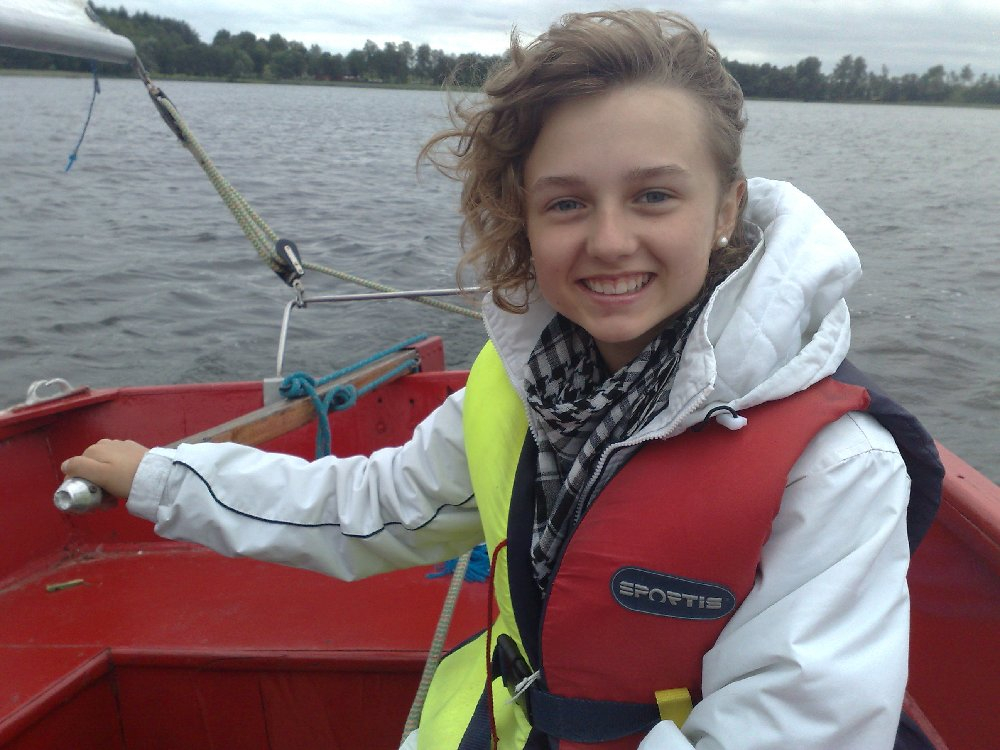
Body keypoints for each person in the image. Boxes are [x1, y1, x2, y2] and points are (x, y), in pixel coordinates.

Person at [61, 9, 941, 750]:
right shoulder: (518, 386)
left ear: (726, 209)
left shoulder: (836, 465)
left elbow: (793, 725)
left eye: (653, 196)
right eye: (567, 203)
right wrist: (168, 481)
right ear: (523, 216)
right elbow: (375, 506)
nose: (609, 241)